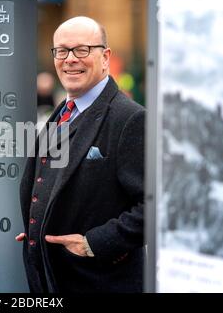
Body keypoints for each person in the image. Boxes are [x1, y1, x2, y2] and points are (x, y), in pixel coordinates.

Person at [16, 16, 145, 293]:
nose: (70, 59)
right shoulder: (63, 112)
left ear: (105, 57)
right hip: (49, 280)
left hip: (99, 282)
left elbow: (155, 206)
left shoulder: (130, 119)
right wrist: (37, 229)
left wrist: (94, 244)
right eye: (61, 51)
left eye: (82, 50)